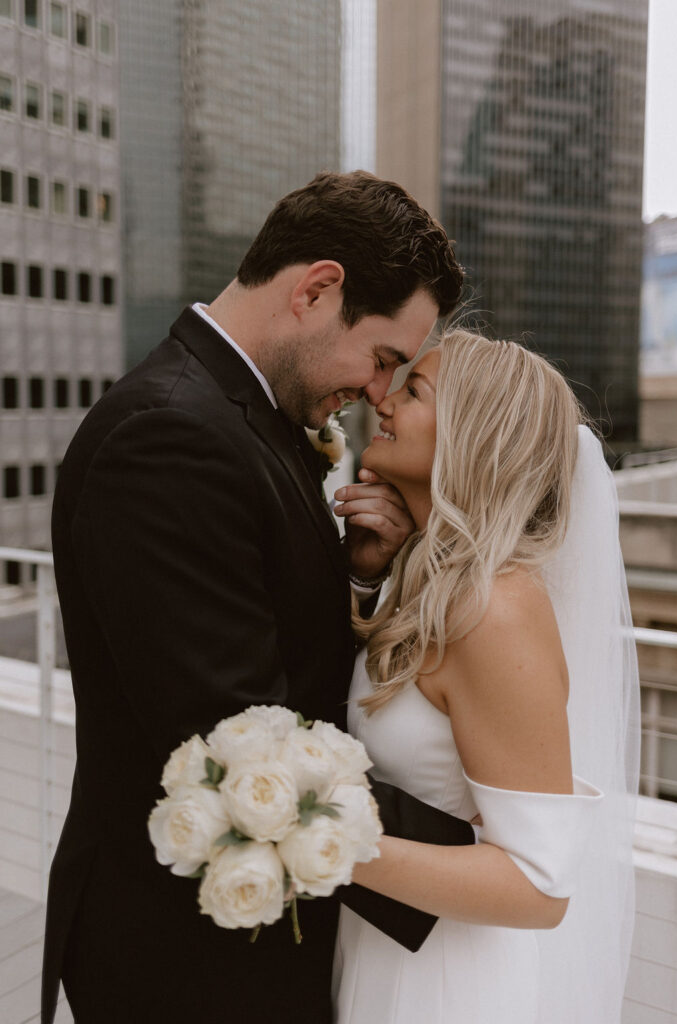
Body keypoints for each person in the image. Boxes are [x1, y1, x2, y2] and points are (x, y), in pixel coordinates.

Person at [41, 171, 476, 1024]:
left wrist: (356, 575)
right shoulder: (168, 435)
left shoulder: (243, 414)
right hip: (186, 958)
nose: (379, 391)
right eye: (383, 357)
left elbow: (279, 643)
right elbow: (231, 733)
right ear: (317, 290)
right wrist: (479, 867)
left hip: (242, 931)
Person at [332, 330, 640, 1023]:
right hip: (382, 942)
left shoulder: (495, 606)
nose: (382, 400)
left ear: (472, 434)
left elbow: (536, 885)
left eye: (412, 391)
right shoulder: (425, 581)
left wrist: (325, 841)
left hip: (443, 985)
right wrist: (367, 575)